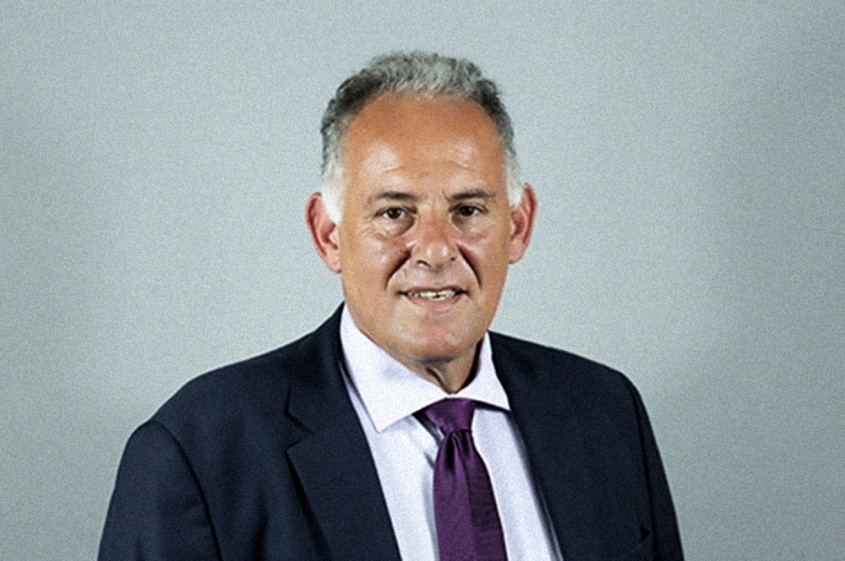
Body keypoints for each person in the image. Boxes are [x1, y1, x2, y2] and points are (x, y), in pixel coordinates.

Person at [98, 51, 684, 561]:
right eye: (394, 213)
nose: (435, 249)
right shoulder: (200, 453)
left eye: (468, 211)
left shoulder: (606, 414)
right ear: (328, 234)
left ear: (518, 225)